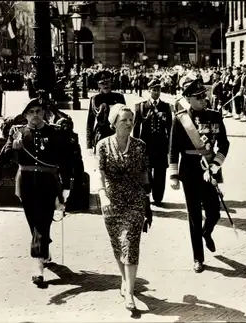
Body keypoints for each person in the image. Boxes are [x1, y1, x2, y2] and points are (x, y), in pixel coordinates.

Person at [0, 98, 73, 287]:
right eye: (31, 111)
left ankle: (38, 266)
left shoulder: (55, 133)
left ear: (44, 113)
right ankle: (44, 249)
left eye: (39, 111)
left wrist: (67, 186)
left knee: (42, 221)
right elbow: (5, 154)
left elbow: (67, 159)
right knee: (33, 222)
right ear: (25, 115)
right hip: (26, 183)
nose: (35, 114)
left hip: (48, 183)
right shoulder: (18, 132)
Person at [169, 79, 230, 273]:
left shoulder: (215, 116)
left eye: (205, 95)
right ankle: (198, 258)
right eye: (200, 97)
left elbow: (224, 144)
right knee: (194, 215)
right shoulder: (180, 119)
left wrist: (214, 166)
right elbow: (173, 149)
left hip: (209, 170)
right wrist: (174, 175)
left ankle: (207, 232)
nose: (205, 99)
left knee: (214, 211)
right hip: (189, 171)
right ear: (188, 99)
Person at [96, 103, 152, 311]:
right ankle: (125, 279)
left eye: (131, 120)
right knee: (117, 244)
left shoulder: (140, 146)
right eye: (124, 120)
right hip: (111, 201)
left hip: (135, 200)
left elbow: (145, 174)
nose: (129, 123)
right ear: (114, 124)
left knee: (130, 242)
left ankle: (129, 293)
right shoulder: (102, 145)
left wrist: (147, 201)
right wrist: (103, 196)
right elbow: (100, 172)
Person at [133, 78, 173, 206]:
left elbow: (170, 127)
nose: (156, 92)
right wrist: (135, 145)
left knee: (161, 172)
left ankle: (158, 198)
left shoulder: (166, 106)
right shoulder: (140, 106)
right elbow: (136, 127)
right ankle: (147, 194)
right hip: (146, 145)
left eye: (158, 90)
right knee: (146, 171)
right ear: (149, 91)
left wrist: (170, 146)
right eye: (154, 90)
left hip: (161, 145)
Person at [86, 70, 126, 154]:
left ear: (111, 83)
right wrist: (89, 145)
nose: (106, 85)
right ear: (98, 85)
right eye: (103, 83)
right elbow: (90, 122)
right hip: (100, 135)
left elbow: (125, 118)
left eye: (108, 82)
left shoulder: (119, 97)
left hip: (116, 134)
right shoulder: (94, 99)